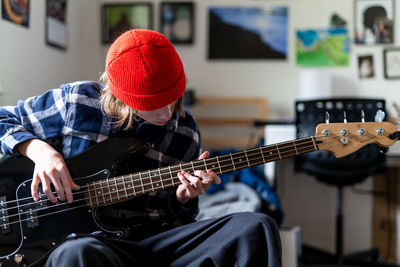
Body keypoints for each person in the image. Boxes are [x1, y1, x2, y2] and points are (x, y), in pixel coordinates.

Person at [0, 29, 282, 266]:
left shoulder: (185, 131)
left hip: (149, 243)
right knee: (79, 254)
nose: (165, 114)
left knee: (257, 227)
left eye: (171, 100)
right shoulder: (77, 103)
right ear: (120, 95)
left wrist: (184, 197)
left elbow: (177, 220)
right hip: (86, 245)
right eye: (150, 106)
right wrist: (39, 151)